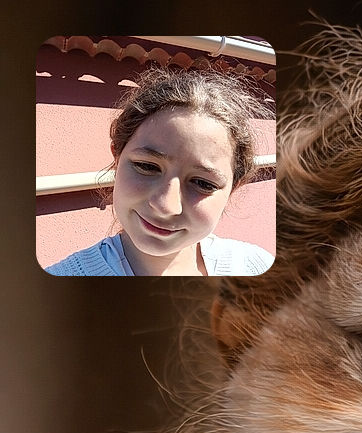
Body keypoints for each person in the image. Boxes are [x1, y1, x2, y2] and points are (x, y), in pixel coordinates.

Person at [46, 66, 274, 277]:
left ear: (233, 189)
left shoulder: (256, 266)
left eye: (203, 183)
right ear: (117, 159)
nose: (166, 206)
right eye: (147, 167)